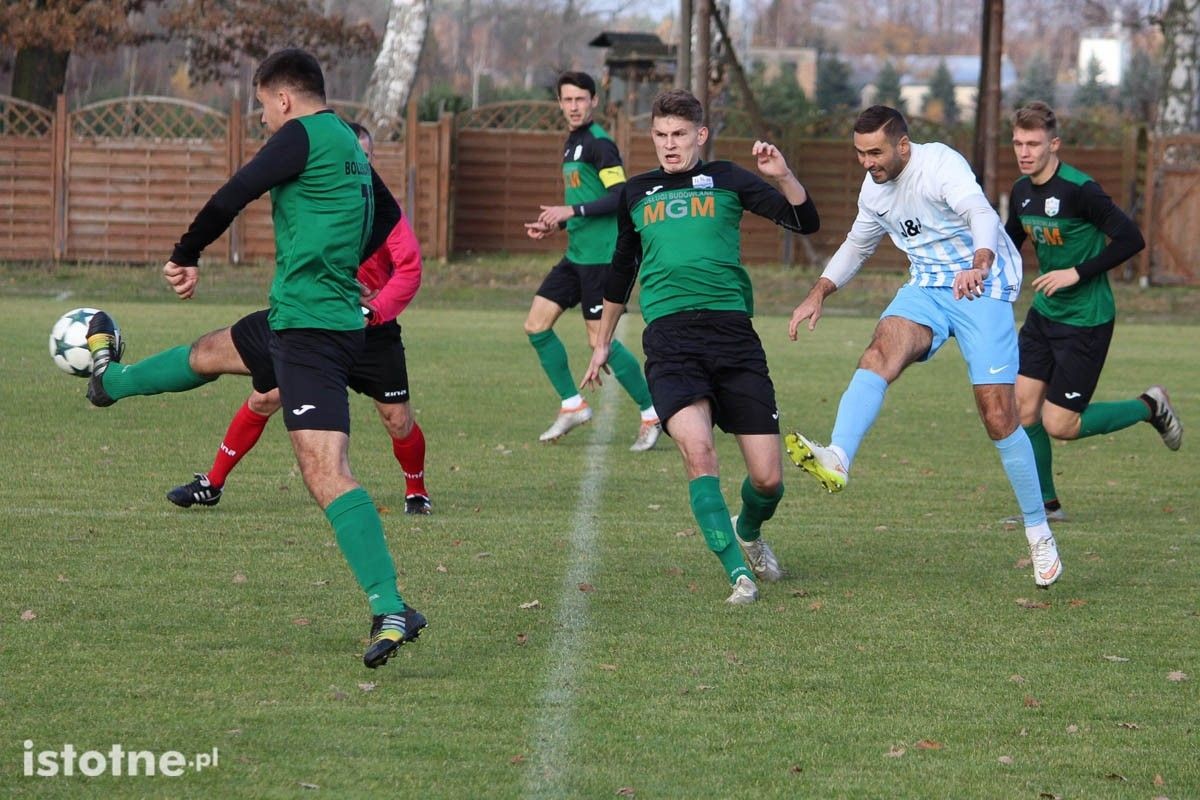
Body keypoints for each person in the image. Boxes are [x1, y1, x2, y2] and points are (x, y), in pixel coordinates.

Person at [84, 49, 424, 668]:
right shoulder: (350, 144)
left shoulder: (300, 135)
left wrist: (186, 253)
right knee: (209, 352)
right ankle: (111, 381)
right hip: (293, 316)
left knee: (324, 470)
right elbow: (387, 218)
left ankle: (392, 604)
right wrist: (326, 254)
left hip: (315, 332)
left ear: (284, 99)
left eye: (263, 105)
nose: (263, 116)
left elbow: (234, 193)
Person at [785, 105, 1062, 588]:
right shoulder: (873, 192)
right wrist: (819, 291)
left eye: (875, 152)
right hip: (928, 288)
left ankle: (1038, 532)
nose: (867, 162)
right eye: (859, 153)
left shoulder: (940, 165)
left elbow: (979, 212)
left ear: (903, 146)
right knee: (878, 353)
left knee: (998, 416)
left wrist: (979, 262)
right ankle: (839, 456)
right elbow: (857, 244)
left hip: (982, 286)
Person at [581, 89, 820, 604]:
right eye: (662, 135)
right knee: (699, 451)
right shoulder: (637, 193)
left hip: (734, 337)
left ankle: (749, 532)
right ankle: (738, 575)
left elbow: (804, 221)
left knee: (769, 479)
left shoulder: (729, 179)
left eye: (680, 135)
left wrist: (783, 175)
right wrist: (601, 343)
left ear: (700, 135)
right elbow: (621, 271)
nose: (670, 145)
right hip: (670, 341)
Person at [166, 123, 433, 517]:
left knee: (397, 417)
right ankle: (213, 482)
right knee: (265, 396)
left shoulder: (382, 209)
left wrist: (370, 310)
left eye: (361, 156)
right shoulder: (315, 203)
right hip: (314, 324)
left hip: (370, 332)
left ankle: (416, 491)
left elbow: (409, 270)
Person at [1002, 101, 1182, 523]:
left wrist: (1075, 273)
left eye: (1033, 143)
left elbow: (1130, 239)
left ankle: (1150, 406)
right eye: (1017, 143)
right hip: (1044, 316)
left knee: (1060, 424)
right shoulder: (1021, 191)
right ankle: (1047, 507)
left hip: (1086, 320)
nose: (1024, 152)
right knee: (1023, 411)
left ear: (1054, 144)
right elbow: (1010, 242)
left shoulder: (1080, 190)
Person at [523, 71, 661, 451]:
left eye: (580, 99)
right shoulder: (571, 144)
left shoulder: (601, 145)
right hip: (575, 255)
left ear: (594, 101)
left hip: (602, 260)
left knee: (598, 341)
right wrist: (558, 223)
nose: (573, 106)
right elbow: (584, 203)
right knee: (536, 325)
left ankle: (652, 412)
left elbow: (620, 196)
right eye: (567, 100)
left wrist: (570, 209)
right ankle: (573, 403)